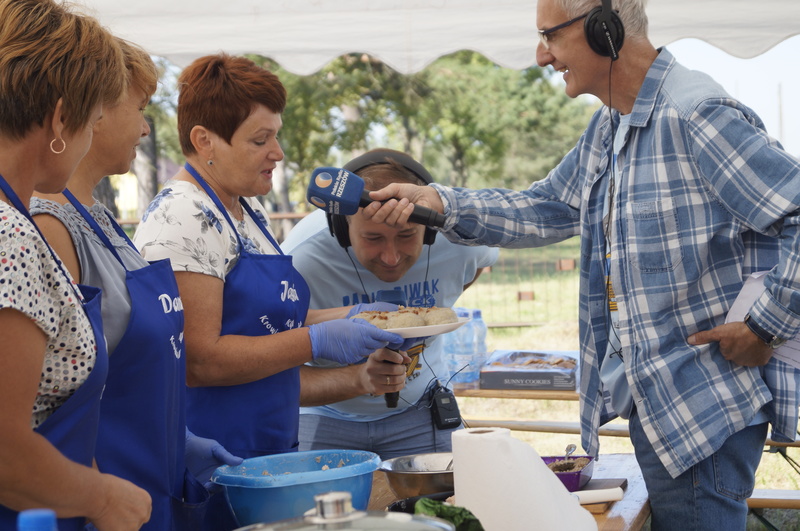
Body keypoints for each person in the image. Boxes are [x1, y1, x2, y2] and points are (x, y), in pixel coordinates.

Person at [362, 0, 800, 529]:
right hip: (662, 404)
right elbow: (548, 207)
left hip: (701, 406)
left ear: (604, 30)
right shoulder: (611, 127)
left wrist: (764, 327)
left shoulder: (694, 114)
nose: (542, 56)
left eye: (550, 36)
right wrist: (440, 201)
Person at [131, 53, 409, 530]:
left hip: (269, 458)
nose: (278, 152)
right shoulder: (182, 216)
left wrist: (359, 320)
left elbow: (264, 329)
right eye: (261, 139)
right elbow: (202, 358)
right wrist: (317, 341)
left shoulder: (244, 211)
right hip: (216, 466)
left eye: (275, 135)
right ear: (204, 141)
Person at [30, 39, 242, 530]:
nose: (146, 127)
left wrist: (176, 437)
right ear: (95, 111)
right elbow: (52, 398)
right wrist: (99, 499)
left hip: (152, 483)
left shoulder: (101, 218)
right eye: (140, 108)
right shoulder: (49, 227)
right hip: (103, 497)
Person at [0, 0, 152, 529]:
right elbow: (6, 453)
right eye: (91, 119)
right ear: (62, 118)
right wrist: (106, 498)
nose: (90, 135)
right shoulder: (12, 235)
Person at [282, 149, 498, 459]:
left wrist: (430, 313)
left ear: (429, 233)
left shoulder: (459, 243)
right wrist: (354, 378)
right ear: (342, 229)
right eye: (373, 238)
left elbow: (479, 264)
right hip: (325, 416)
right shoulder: (301, 258)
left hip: (420, 409)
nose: (391, 257)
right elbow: (270, 358)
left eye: (407, 235)